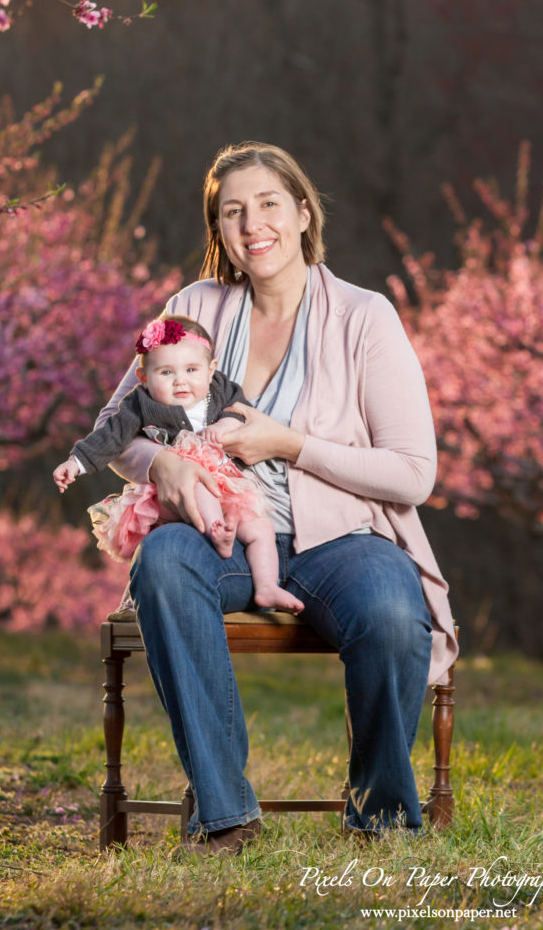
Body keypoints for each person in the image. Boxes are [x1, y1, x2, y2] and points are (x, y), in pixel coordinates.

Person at [92, 141, 458, 854]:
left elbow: (414, 474)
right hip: (220, 538)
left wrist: (287, 445)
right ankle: (226, 814)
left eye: (265, 204)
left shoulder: (364, 316)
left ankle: (377, 815)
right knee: (163, 563)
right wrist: (161, 467)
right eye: (231, 211)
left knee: (389, 611)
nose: (250, 223)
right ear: (218, 230)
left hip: (342, 542)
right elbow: (117, 434)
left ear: (300, 212)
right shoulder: (193, 307)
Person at [52, 315, 303, 614]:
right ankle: (216, 533)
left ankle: (266, 588)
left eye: (191, 370)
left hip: (227, 489)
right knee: (196, 483)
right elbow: (111, 435)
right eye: (166, 372)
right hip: (175, 494)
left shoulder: (221, 390)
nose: (180, 380)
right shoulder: (141, 403)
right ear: (144, 377)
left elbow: (243, 412)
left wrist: (225, 424)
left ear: (211, 371)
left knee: (261, 528)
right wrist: (76, 462)